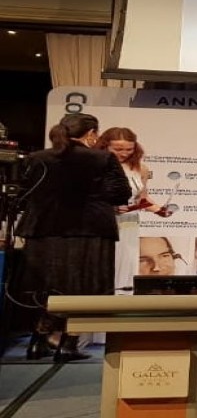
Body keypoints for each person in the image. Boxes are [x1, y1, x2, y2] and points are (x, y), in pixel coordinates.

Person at [17, 113, 132, 361]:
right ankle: (68, 344)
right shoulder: (102, 158)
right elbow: (120, 193)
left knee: (45, 287)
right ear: (91, 134)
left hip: (44, 231)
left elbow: (24, 193)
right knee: (83, 288)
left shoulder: (37, 158)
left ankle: (37, 342)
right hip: (89, 231)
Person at [94, 127, 169, 294]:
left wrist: (159, 210)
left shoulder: (141, 168)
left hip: (129, 224)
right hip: (105, 222)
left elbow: (142, 199)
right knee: (106, 262)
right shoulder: (96, 166)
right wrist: (110, 207)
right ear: (105, 146)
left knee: (127, 262)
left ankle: (123, 298)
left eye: (129, 149)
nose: (124, 153)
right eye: (118, 149)